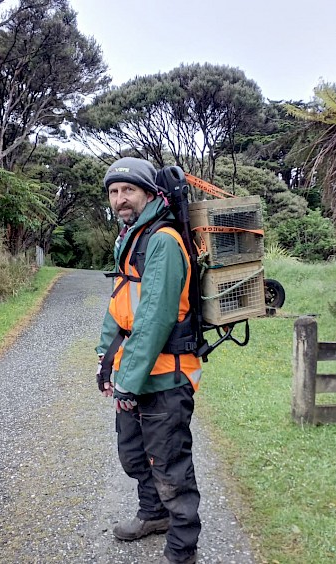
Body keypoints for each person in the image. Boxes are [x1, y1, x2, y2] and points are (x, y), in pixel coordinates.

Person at [96, 157, 202, 564]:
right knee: (135, 455)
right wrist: (106, 362)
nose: (120, 198)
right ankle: (154, 514)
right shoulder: (130, 238)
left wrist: (128, 380)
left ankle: (182, 549)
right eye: (114, 191)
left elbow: (155, 318)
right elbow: (120, 304)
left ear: (149, 193)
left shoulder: (163, 241)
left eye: (129, 190)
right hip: (136, 373)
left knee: (170, 465)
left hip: (166, 377)